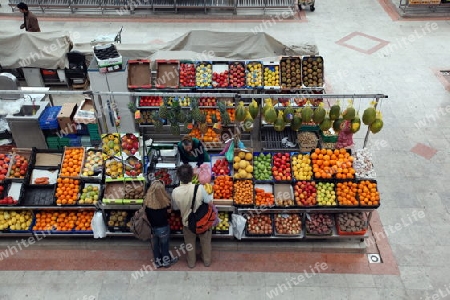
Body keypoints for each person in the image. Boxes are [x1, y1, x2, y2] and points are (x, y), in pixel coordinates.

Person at [172, 164, 212, 268]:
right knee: (205, 242)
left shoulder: (175, 192)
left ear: (179, 177)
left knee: (189, 244)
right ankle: (206, 261)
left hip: (187, 222)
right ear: (192, 175)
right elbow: (209, 202)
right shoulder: (200, 188)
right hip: (203, 222)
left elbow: (175, 208)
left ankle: (191, 262)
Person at [144, 180, 178, 268]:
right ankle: (166, 262)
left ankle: (158, 262)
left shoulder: (146, 202)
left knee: (155, 246)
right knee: (164, 246)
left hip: (152, 228)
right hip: (163, 228)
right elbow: (169, 214)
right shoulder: (166, 203)